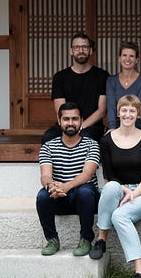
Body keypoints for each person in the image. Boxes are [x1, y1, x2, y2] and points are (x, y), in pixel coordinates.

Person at [92, 95, 141, 278]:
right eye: (124, 110)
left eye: (132, 110)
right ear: (118, 113)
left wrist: (133, 194)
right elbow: (108, 176)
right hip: (118, 188)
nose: (128, 114)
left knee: (119, 216)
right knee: (110, 187)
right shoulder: (106, 141)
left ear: (138, 114)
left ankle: (140, 271)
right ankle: (101, 239)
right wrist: (125, 191)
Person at [36, 103, 100, 256]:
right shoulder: (48, 147)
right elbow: (45, 175)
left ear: (81, 121)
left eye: (75, 119)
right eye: (66, 119)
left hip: (85, 200)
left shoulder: (92, 144)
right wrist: (52, 187)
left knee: (85, 191)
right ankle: (52, 240)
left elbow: (88, 173)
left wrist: (66, 186)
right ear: (59, 121)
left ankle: (85, 239)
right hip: (60, 197)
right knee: (42, 196)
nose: (70, 123)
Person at [42, 32, 109, 143]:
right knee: (49, 136)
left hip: (91, 126)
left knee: (86, 137)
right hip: (66, 124)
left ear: (90, 51)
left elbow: (101, 111)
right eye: (77, 47)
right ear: (71, 51)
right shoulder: (60, 77)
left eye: (85, 47)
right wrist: (71, 125)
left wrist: (81, 126)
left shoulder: (102, 76)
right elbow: (60, 109)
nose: (81, 50)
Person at [105, 42, 141, 132]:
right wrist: (111, 128)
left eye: (131, 56)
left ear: (136, 60)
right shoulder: (111, 81)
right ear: (119, 58)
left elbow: (139, 106)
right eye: (124, 55)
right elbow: (111, 107)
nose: (127, 59)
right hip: (118, 124)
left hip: (140, 124)